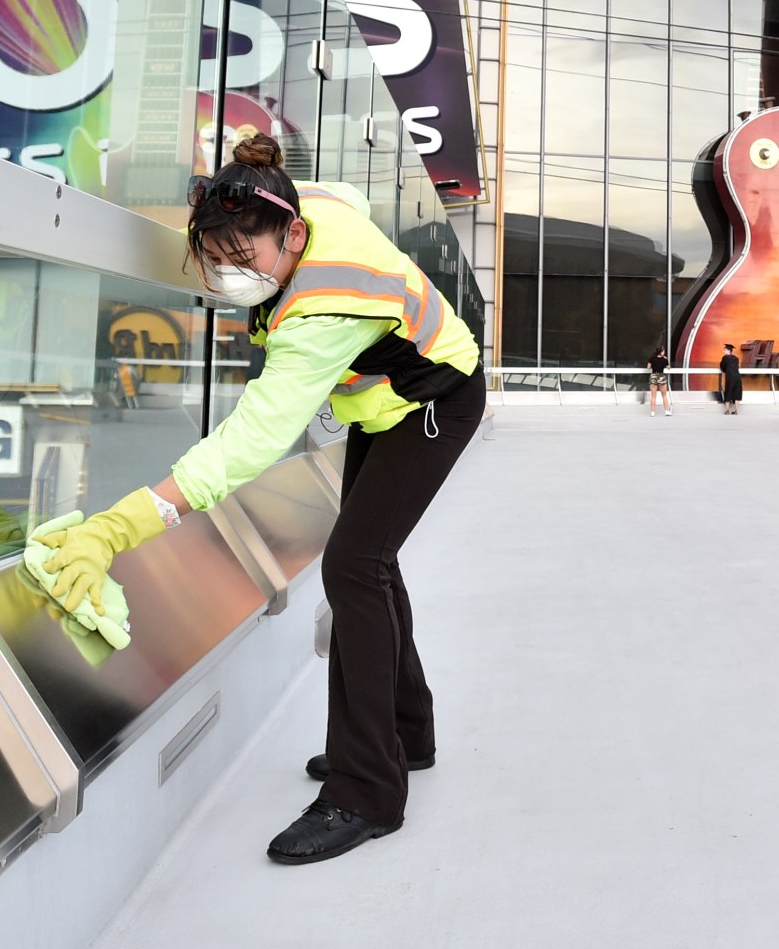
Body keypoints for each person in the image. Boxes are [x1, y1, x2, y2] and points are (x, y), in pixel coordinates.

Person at [30, 135, 484, 866]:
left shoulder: (324, 311)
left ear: (293, 235)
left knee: (354, 567)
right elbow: (351, 197)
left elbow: (251, 441)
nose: (229, 274)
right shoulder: (315, 202)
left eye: (245, 260)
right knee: (372, 561)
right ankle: (405, 735)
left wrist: (120, 527)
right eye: (216, 259)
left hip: (433, 403)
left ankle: (366, 790)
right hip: (387, 403)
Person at [717, 344, 744, 416]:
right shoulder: (736, 358)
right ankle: (735, 411)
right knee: (737, 394)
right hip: (737, 377)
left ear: (729, 350)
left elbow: (722, 367)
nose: (723, 351)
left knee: (728, 393)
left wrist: (725, 370)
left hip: (730, 378)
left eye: (725, 350)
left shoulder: (725, 358)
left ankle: (727, 410)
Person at [647, 347, 672, 416]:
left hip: (653, 376)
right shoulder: (664, 360)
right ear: (660, 352)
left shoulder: (652, 358)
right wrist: (665, 360)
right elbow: (669, 368)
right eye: (663, 351)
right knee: (664, 395)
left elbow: (648, 367)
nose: (664, 352)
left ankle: (652, 412)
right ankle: (666, 411)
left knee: (653, 396)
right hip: (661, 377)